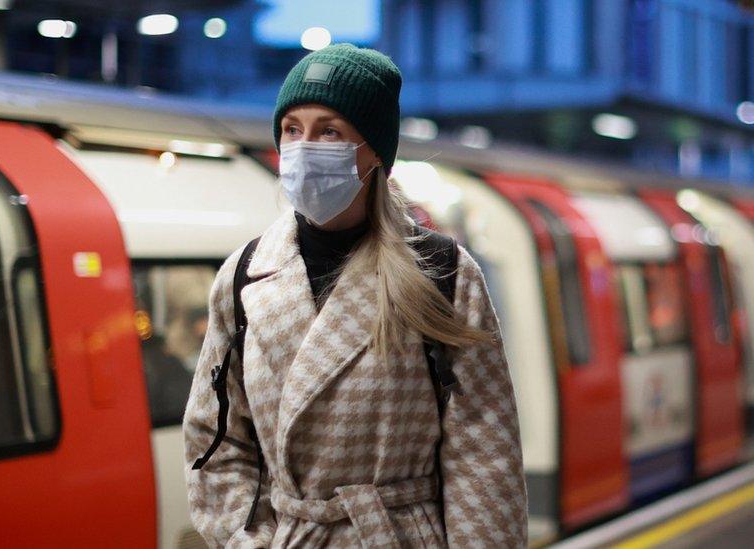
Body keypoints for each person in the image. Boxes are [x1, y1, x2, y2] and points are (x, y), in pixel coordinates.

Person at [183, 43, 527, 548]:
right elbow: (216, 440)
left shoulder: (442, 273)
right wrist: (245, 540)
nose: (303, 148)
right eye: (292, 130)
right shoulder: (244, 275)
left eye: (329, 131)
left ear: (375, 154)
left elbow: (482, 454)